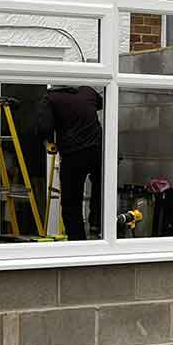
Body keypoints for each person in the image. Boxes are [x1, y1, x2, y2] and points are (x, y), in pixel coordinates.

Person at [35, 86, 103, 240]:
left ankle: (77, 240)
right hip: (98, 151)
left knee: (71, 202)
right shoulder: (88, 92)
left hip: (74, 154)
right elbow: (101, 103)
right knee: (101, 189)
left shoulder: (51, 98)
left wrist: (48, 142)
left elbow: (44, 125)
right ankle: (97, 225)